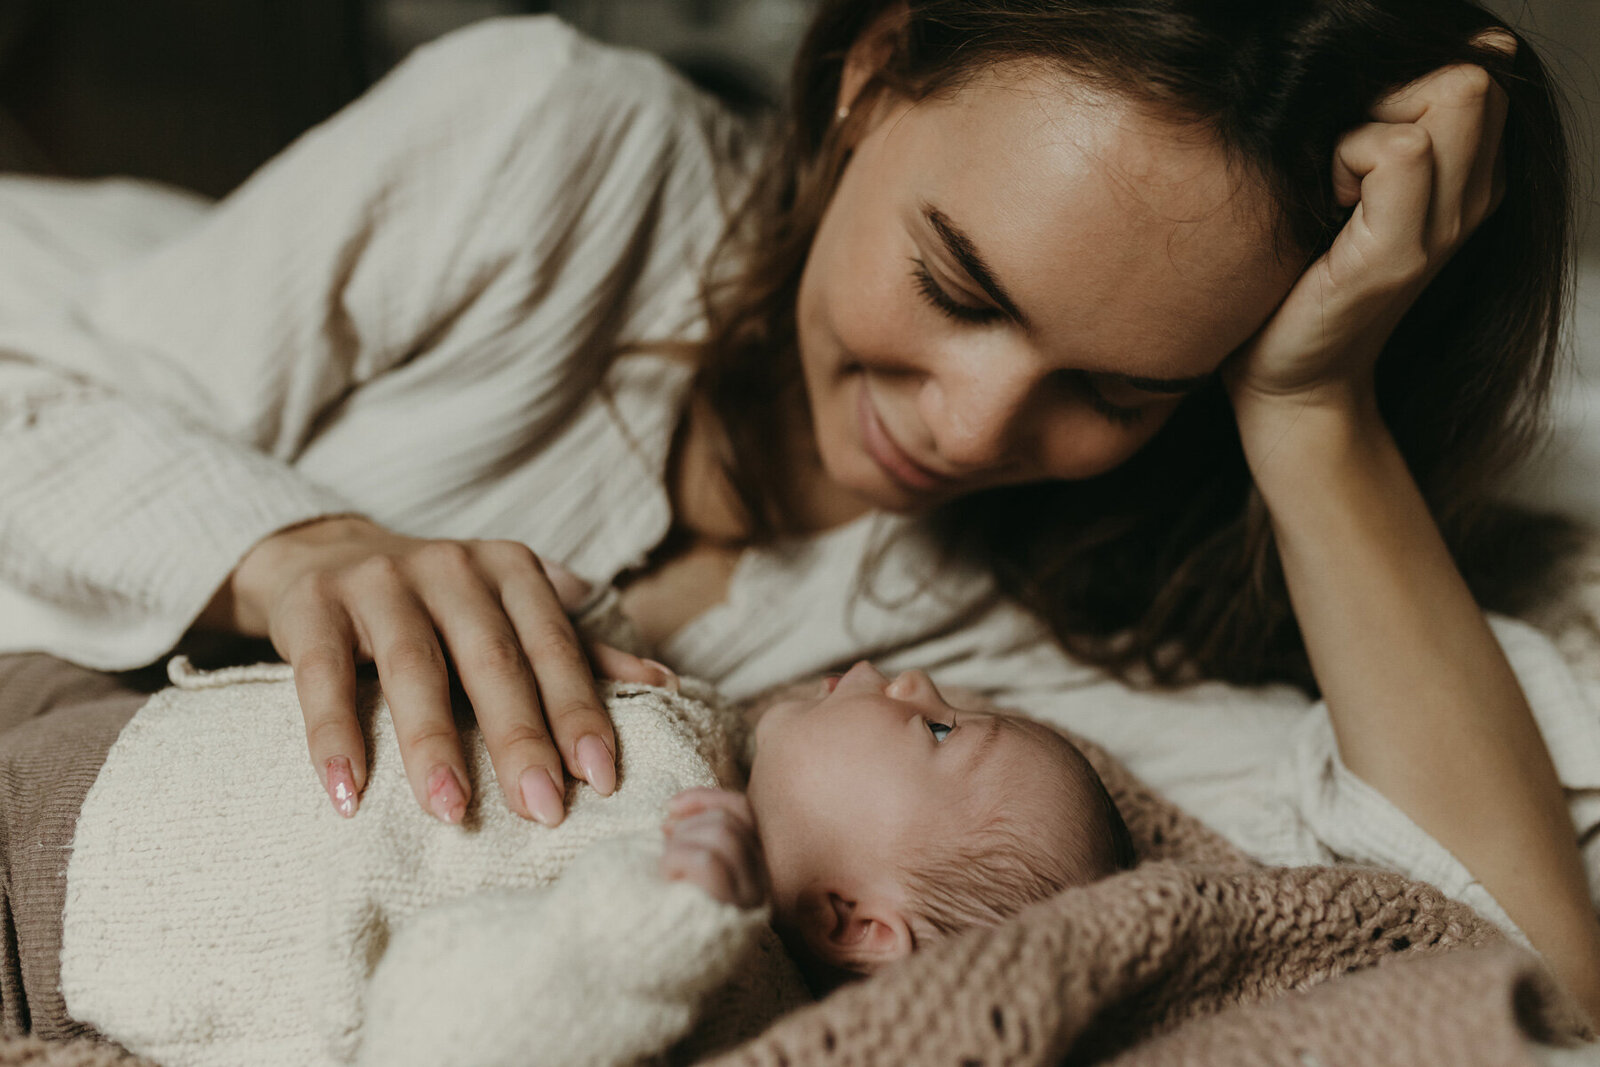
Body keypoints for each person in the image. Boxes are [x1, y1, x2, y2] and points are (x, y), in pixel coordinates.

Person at [1, 0, 1597, 1026]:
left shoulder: (1045, 657)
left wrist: (1314, 415)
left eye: (1121, 390)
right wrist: (290, 549)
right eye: (955, 284)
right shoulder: (553, 147)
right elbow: (40, 404)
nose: (975, 427)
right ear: (873, 69)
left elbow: (1527, 967)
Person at [33, 631, 1129, 1065]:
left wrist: (642, 931)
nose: (918, 683)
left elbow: (449, 1036)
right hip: (115, 711)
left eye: (940, 729)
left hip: (64, 904)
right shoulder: (716, 750)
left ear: (854, 921)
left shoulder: (704, 974)